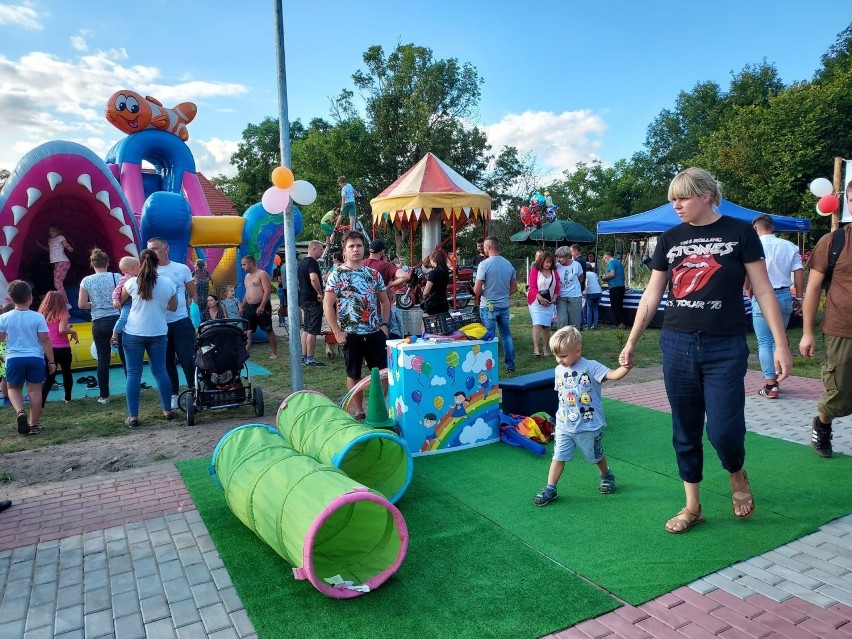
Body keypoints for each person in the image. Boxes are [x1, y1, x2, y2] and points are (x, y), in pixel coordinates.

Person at [619, 167, 792, 534]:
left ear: (706, 195)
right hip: (677, 344)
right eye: (672, 199)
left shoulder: (740, 232)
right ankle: (692, 505)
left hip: (724, 346)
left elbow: (762, 290)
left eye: (682, 197)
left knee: (725, 430)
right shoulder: (670, 239)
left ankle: (736, 473)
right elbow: (653, 294)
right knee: (685, 427)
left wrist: (780, 343)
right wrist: (632, 340)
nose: (676, 205)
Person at [532, 326, 631, 506]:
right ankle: (550, 487)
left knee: (595, 455)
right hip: (564, 425)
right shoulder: (558, 370)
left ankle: (606, 474)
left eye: (563, 356)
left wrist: (625, 367)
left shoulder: (591, 366)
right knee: (558, 456)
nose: (559, 360)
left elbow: (613, 375)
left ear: (577, 351)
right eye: (557, 356)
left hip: (588, 425)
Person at [798, 216, 852, 458]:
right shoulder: (834, 241)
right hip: (842, 329)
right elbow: (813, 289)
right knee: (840, 391)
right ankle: (822, 424)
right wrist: (807, 332)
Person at [324, 231, 391, 420]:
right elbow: (328, 304)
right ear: (345, 251)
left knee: (382, 372)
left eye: (359, 245)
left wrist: (384, 325)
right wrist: (337, 331)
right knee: (353, 373)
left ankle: (377, 407)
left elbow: (385, 301)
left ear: (364, 248)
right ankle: (359, 411)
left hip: (373, 331)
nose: (356, 249)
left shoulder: (373, 274)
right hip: (350, 333)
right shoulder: (337, 274)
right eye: (351, 246)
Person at [746, 214, 804, 400]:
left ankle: (771, 384)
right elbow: (799, 273)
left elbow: (748, 271)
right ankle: (776, 379)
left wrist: (747, 288)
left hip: (762, 295)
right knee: (777, 340)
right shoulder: (789, 246)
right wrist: (800, 297)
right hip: (785, 295)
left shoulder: (754, 245)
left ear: (755, 228)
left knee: (765, 341)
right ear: (772, 228)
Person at [119, 249, 178, 428]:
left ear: (140, 262)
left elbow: (120, 302)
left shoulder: (131, 283)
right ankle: (167, 411)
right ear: (157, 262)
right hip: (158, 332)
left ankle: (133, 416)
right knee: (161, 371)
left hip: (133, 333)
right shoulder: (168, 283)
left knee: (133, 373)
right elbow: (173, 307)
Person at [146, 237, 197, 409]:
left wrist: (195, 316)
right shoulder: (147, 271)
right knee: (166, 361)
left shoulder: (181, 268)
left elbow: (193, 294)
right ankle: (173, 393)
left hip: (180, 321)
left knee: (187, 358)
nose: (151, 253)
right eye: (149, 249)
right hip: (159, 324)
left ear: (166, 249)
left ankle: (194, 390)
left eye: (155, 248)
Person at [0, 280, 55, 435]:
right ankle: (33, 424)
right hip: (35, 358)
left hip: (14, 358)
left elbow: (1, 338)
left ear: (10, 298)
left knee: (13, 388)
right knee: (35, 390)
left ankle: (20, 412)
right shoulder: (38, 317)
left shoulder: (4, 318)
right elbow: (45, 340)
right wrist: (51, 361)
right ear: (30, 297)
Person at [78, 248, 125, 403]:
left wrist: (96, 304)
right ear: (108, 262)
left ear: (92, 264)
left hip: (99, 322)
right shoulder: (117, 277)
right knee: (126, 356)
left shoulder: (86, 281)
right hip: (118, 320)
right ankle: (134, 387)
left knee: (103, 359)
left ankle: (104, 396)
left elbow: (82, 304)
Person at [473, 236, 517, 372]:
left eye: (485, 247)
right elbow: (514, 288)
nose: (484, 249)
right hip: (504, 305)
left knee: (489, 336)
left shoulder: (484, 265)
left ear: (489, 247)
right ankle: (510, 366)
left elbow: (477, 290)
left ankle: (488, 367)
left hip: (488, 306)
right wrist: (503, 295)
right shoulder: (508, 264)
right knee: (506, 335)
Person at [38, 291, 78, 405]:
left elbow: (52, 329)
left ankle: (41, 402)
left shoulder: (42, 314)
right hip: (63, 348)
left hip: (49, 348)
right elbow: (61, 329)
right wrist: (73, 331)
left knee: (50, 377)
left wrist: (66, 327)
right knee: (67, 372)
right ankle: (68, 398)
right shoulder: (63, 313)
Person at [240, 255, 278, 359]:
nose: (242, 267)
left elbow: (267, 291)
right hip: (249, 307)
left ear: (251, 264)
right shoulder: (247, 277)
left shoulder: (262, 274)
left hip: (262, 306)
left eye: (244, 264)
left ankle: (274, 352)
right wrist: (242, 306)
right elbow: (247, 293)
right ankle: (244, 352)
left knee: (268, 329)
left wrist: (262, 306)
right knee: (248, 330)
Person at [298, 240, 326, 367]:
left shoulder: (303, 262)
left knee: (306, 328)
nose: (321, 252)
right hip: (312, 299)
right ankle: (310, 357)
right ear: (314, 249)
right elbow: (313, 278)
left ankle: (304, 356)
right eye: (320, 250)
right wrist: (320, 293)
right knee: (313, 330)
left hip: (304, 298)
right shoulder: (312, 262)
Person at [527, 251, 559, 357]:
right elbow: (533, 287)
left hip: (549, 302)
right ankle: (536, 349)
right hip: (536, 301)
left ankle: (545, 349)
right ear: (541, 261)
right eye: (546, 262)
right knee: (537, 324)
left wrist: (554, 298)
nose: (548, 264)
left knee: (546, 326)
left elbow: (557, 287)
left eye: (550, 262)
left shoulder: (554, 271)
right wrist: (540, 299)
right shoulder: (535, 270)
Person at [110, 256, 141, 348]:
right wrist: (115, 300)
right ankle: (115, 334)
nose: (141, 268)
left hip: (136, 301)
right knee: (124, 318)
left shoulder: (138, 276)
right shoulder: (126, 278)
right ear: (132, 268)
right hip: (128, 302)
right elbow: (117, 290)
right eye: (139, 266)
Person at [38, 225, 73, 305]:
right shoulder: (50, 240)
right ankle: (64, 302)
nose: (50, 232)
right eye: (50, 231)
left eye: (53, 231)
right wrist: (39, 245)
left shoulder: (60, 237)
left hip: (62, 262)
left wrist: (69, 248)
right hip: (57, 263)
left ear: (58, 231)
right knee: (57, 283)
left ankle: (66, 303)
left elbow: (65, 244)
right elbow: (50, 250)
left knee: (58, 283)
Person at [554, 246, 583, 329]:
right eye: (557, 257)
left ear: (567, 256)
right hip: (561, 297)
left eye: (561, 257)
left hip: (575, 296)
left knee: (574, 322)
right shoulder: (556, 266)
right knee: (562, 320)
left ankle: (573, 340)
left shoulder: (577, 265)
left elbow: (581, 278)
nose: (558, 259)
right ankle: (561, 340)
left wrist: (573, 287)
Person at [420, 246, 450, 316]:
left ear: (433, 259)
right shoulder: (445, 271)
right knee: (442, 325)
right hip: (443, 302)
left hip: (433, 304)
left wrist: (424, 297)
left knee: (425, 323)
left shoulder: (433, 273)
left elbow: (426, 292)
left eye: (430, 260)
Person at [602, 251, 626, 328]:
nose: (605, 262)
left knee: (615, 305)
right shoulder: (619, 263)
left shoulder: (611, 263)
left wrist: (604, 278)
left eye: (604, 260)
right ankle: (622, 323)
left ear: (606, 257)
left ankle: (618, 323)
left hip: (614, 286)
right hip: (621, 286)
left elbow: (612, 274)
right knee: (620, 304)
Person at [584, 263, 603, 329]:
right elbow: (600, 283)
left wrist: (584, 292)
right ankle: (595, 325)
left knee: (589, 308)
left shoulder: (585, 274)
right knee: (595, 309)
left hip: (590, 292)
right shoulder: (594, 274)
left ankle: (589, 325)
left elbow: (585, 284)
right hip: (598, 292)